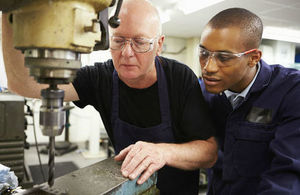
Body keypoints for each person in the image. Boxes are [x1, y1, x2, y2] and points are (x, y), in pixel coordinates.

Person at [2, 0, 217, 194]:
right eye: (119, 40)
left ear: (159, 45)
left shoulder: (179, 78)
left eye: (140, 42)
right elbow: (24, 85)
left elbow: (209, 153)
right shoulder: (101, 77)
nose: (126, 53)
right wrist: (10, 10)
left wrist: (162, 152)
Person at [199, 7, 300, 194]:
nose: (208, 67)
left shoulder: (291, 92)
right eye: (204, 53)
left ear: (253, 58)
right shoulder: (204, 92)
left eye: (224, 57)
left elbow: (287, 174)